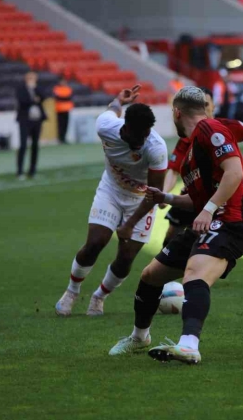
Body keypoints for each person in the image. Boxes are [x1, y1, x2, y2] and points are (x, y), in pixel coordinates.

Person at [108, 86, 243, 365]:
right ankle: (139, 337)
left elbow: (233, 173)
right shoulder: (191, 149)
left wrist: (209, 210)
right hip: (209, 223)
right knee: (151, 275)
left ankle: (189, 344)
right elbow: (197, 200)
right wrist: (169, 198)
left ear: (177, 112)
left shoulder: (209, 127)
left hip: (230, 223)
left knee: (194, 273)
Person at [54, 85, 168, 317]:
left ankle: (99, 297)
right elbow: (113, 109)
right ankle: (71, 291)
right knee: (96, 242)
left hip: (141, 200)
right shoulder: (106, 127)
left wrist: (129, 224)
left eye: (147, 133)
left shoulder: (156, 148)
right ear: (125, 129)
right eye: (139, 135)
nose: (143, 139)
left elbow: (154, 194)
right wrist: (119, 99)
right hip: (111, 191)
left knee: (125, 258)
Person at [161, 93, 243, 248]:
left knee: (207, 244)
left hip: (218, 201)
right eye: (202, 105)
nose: (205, 109)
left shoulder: (221, 127)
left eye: (207, 105)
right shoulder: (186, 138)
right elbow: (173, 171)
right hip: (191, 195)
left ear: (214, 106)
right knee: (172, 237)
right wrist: (164, 195)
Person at [15, 71, 49, 179]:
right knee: (23, 145)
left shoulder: (37, 88)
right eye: (30, 77)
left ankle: (32, 171)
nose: (32, 79)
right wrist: (34, 99)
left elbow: (43, 96)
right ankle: (20, 171)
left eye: (33, 77)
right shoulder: (21, 89)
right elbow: (23, 101)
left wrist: (34, 89)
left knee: (35, 146)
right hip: (25, 120)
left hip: (36, 120)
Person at [53, 77, 73, 144]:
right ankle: (60, 138)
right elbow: (59, 97)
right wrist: (64, 98)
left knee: (65, 124)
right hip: (59, 109)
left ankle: (64, 137)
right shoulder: (57, 88)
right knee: (60, 124)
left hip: (66, 109)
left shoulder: (67, 88)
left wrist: (63, 98)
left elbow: (68, 97)